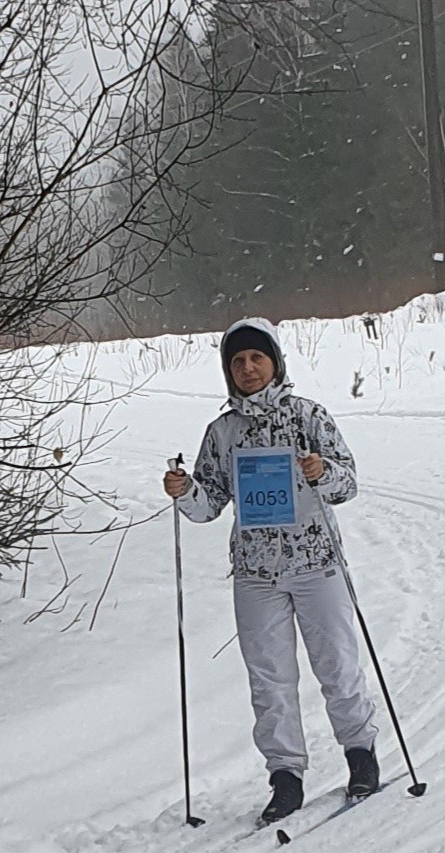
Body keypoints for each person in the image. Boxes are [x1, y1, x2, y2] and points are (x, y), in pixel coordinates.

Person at [162, 317, 379, 824]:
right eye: (237, 361)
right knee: (269, 679)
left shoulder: (309, 416)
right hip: (256, 574)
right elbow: (208, 504)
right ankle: (285, 776)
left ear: (275, 362)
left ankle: (360, 754)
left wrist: (323, 472)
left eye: (256, 357)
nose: (247, 368)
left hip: (316, 562)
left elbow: (348, 483)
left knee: (337, 664)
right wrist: (185, 491)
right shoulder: (222, 432)